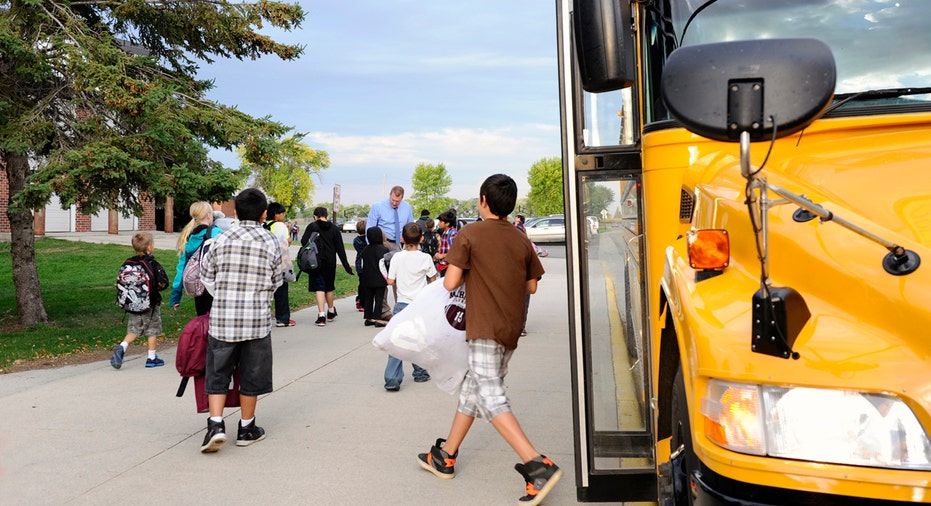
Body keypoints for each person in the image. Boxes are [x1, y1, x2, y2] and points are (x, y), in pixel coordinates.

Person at [416, 174, 560, 505]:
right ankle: (446, 455)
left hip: (483, 328)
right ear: (510, 205)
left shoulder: (470, 233)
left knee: (491, 397)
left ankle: (538, 466)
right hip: (510, 330)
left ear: (483, 200)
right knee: (474, 390)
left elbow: (450, 282)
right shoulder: (520, 238)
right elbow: (532, 286)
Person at [198, 188, 283, 453]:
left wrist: (223, 295)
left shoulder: (220, 240)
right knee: (251, 376)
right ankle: (247, 427)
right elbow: (277, 280)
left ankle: (215, 425)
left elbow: (206, 275)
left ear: (235, 211)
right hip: (256, 321)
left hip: (223, 319)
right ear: (264, 214)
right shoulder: (271, 242)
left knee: (217, 373)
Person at [384, 222, 437, 390]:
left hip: (402, 305)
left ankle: (392, 379)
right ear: (421, 238)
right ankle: (421, 373)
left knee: (397, 342)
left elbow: (391, 281)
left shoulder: (397, 257)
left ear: (402, 238)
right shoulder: (426, 258)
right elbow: (433, 279)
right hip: (419, 306)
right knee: (417, 340)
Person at [111, 232, 170, 369]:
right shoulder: (152, 264)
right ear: (149, 247)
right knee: (152, 330)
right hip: (150, 304)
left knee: (134, 329)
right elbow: (163, 283)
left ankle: (122, 347)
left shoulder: (128, 263)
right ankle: (151, 357)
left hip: (132, 303)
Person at [366, 186, 414, 319]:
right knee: (383, 278)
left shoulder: (406, 208)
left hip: (399, 244)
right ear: (390, 195)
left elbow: (410, 226)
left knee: (399, 277)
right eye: (392, 200)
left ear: (402, 198)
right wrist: (371, 248)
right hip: (383, 243)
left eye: (397, 201)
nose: (394, 203)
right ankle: (384, 310)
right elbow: (370, 227)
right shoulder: (378, 206)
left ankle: (401, 308)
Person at [301, 207, 354, 327]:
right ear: (327, 216)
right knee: (329, 287)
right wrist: (346, 266)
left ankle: (321, 315)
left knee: (320, 287)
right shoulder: (334, 229)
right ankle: (331, 311)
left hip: (316, 261)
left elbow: (304, 241)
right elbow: (340, 248)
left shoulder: (312, 227)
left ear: (315, 216)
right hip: (330, 262)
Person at [170, 201, 224, 315]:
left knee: (202, 319)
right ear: (209, 215)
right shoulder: (217, 233)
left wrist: (176, 295)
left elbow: (181, 268)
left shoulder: (188, 237)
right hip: (215, 285)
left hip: (197, 286)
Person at [267, 202, 295, 327]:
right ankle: (282, 318)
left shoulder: (263, 224)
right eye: (281, 213)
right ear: (276, 215)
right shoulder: (280, 226)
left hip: (265, 261)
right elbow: (285, 243)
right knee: (281, 289)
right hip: (278, 261)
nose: (283, 215)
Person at [359, 226, 389, 328]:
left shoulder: (365, 249)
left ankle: (368, 317)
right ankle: (378, 318)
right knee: (379, 299)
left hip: (367, 278)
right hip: (380, 278)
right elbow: (385, 265)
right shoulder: (384, 250)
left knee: (369, 298)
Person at [433, 210, 458, 277]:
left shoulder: (453, 234)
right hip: (444, 265)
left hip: (449, 266)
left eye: (441, 222)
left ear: (447, 224)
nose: (438, 224)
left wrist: (443, 255)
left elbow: (456, 252)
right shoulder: (445, 233)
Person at [353, 219, 368, 312]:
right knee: (365, 285)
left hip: (359, 264)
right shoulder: (367, 240)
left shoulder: (356, 240)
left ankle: (359, 298)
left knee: (361, 283)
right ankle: (362, 302)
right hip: (365, 264)